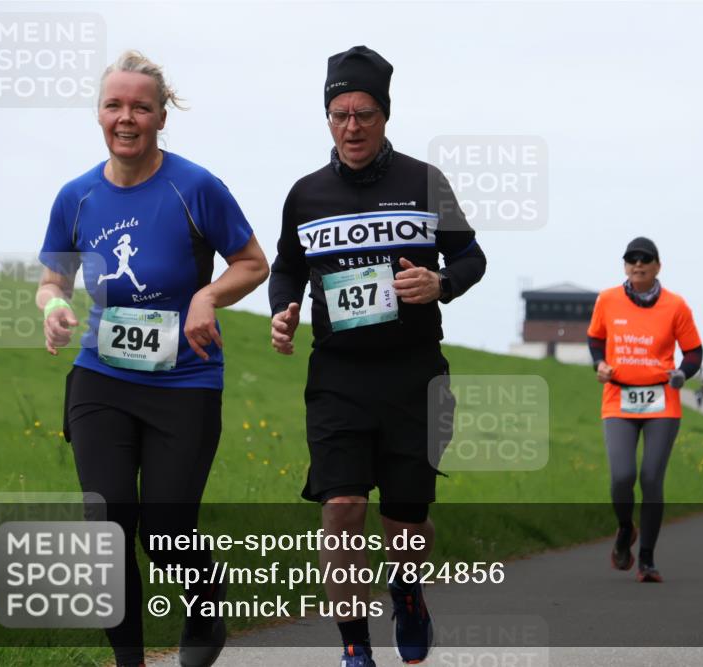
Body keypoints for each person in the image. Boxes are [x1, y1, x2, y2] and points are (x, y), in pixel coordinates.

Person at [36, 50, 269, 667]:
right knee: (107, 527)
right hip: (101, 379)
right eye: (114, 105)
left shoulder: (195, 187)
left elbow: (252, 263)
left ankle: (205, 610)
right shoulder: (77, 196)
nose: (127, 117)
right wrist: (52, 306)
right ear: (100, 115)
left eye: (141, 106)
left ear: (162, 116)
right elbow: (51, 277)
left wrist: (207, 295)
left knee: (166, 535)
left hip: (185, 384)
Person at [267, 46, 486, 667]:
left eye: (364, 113)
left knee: (405, 522)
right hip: (337, 376)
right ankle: (355, 646)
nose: (352, 126)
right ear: (328, 118)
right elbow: (287, 268)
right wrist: (283, 310)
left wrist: (440, 283)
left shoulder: (423, 182)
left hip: (414, 373)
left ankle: (407, 592)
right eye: (339, 114)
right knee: (342, 508)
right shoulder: (305, 194)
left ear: (384, 115)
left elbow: (472, 256)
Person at [588, 237, 703, 583]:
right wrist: (600, 363)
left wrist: (683, 373)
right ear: (625, 266)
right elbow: (595, 338)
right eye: (631, 260)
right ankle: (626, 529)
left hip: (661, 401)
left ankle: (647, 560)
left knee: (651, 479)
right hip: (618, 398)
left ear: (657, 266)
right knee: (622, 477)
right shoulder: (607, 300)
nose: (638, 264)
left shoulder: (676, 305)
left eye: (645, 259)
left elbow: (694, 351)